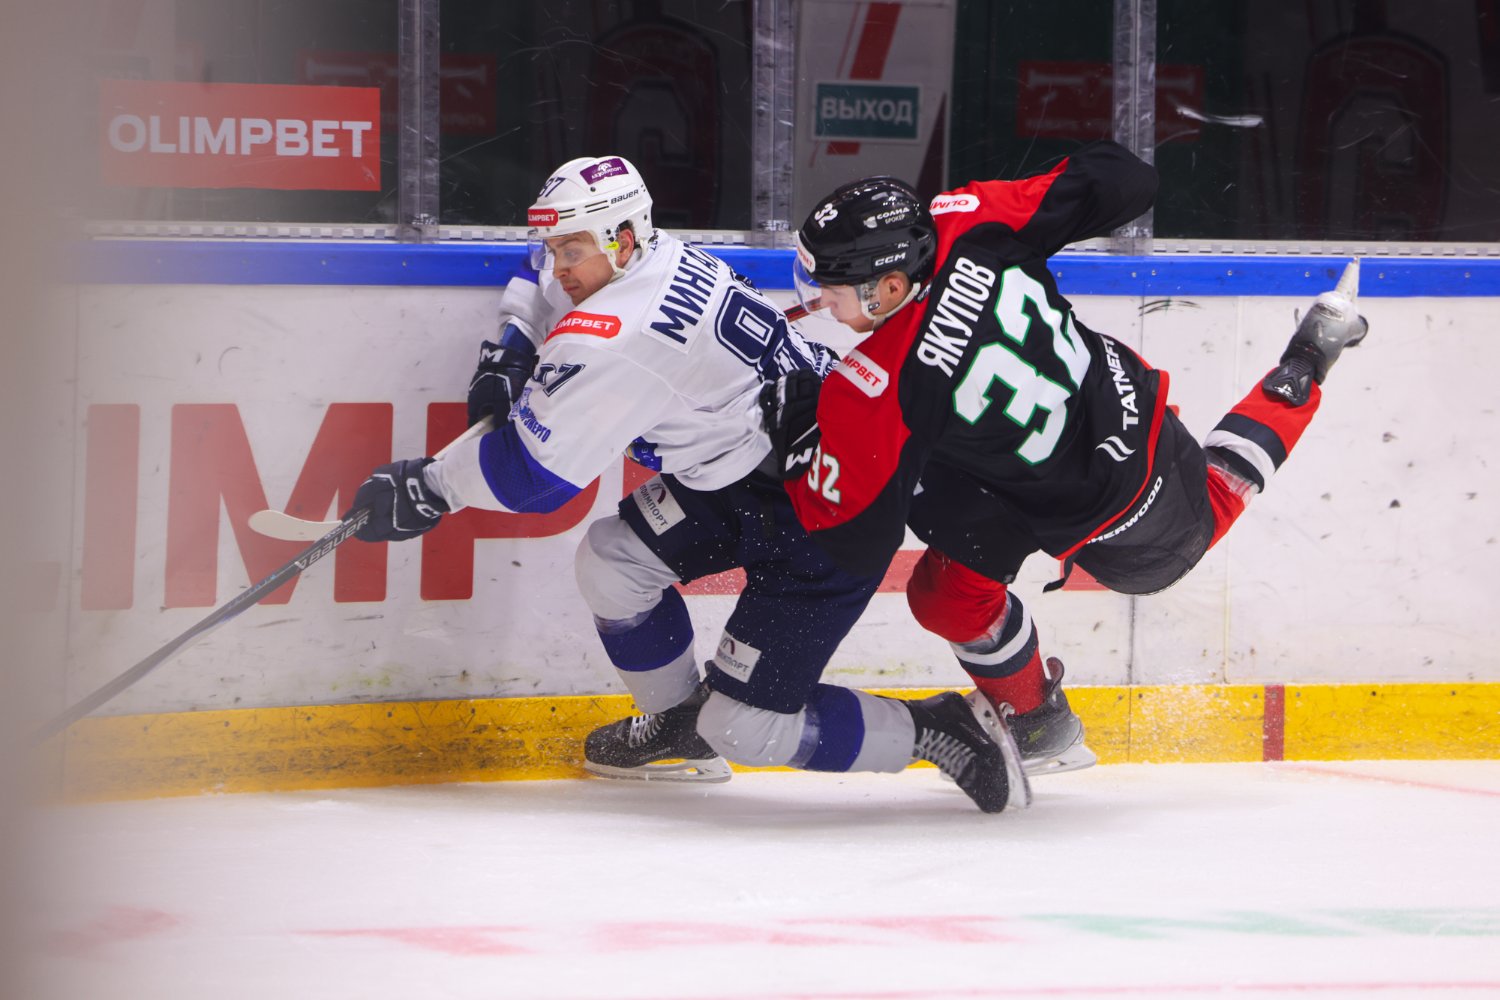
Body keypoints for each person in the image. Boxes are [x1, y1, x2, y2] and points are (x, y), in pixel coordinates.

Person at [344, 154, 1031, 813]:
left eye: (571, 250)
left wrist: (428, 487)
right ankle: (678, 727)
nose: (559, 266)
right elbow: (540, 273)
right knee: (613, 562)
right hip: (752, 470)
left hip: (825, 512)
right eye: (558, 248)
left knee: (745, 729)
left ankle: (942, 729)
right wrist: (513, 344)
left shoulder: (620, 335)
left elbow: (534, 481)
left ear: (621, 237)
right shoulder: (652, 251)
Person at [763, 140, 1368, 767]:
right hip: (1123, 415)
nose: (818, 303)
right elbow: (1130, 179)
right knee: (948, 584)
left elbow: (853, 537)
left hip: (1115, 511)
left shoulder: (880, 385)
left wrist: (799, 428)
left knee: (1205, 502)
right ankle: (1306, 361)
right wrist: (1014, 202)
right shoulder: (968, 223)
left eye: (830, 290)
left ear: (890, 286)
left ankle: (1036, 722)